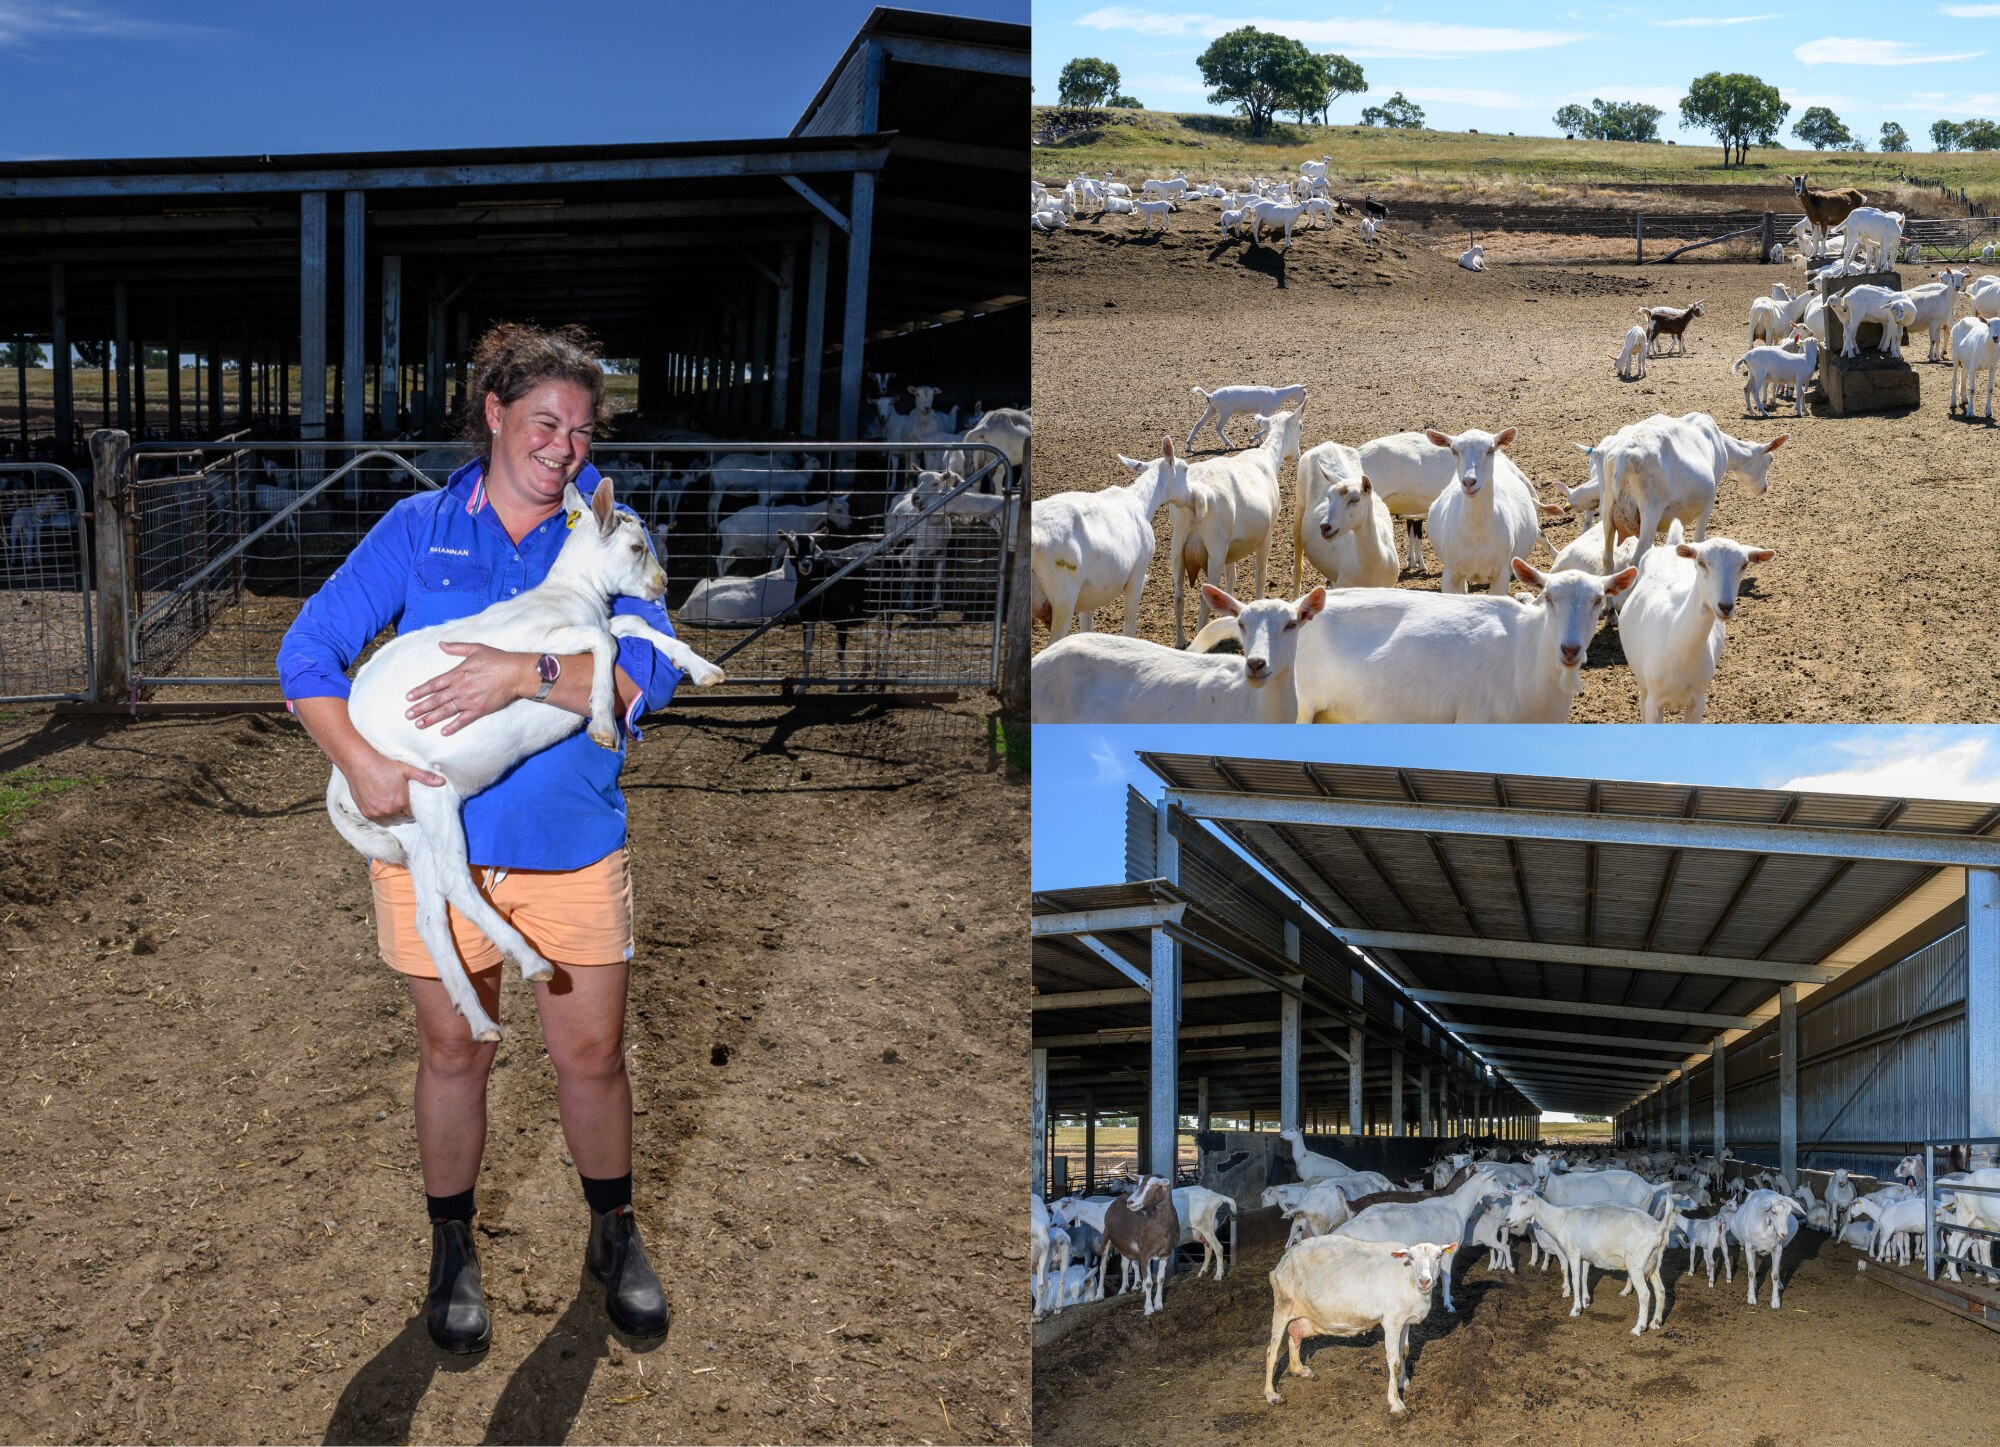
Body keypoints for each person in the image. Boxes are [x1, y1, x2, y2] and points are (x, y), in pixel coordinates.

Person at [278, 322, 675, 1353]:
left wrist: (527, 675)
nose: (565, 446)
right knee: (452, 1047)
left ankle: (614, 1232)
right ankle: (451, 1249)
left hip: (573, 839)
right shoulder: (418, 527)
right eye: (545, 421)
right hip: (430, 838)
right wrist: (360, 766)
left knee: (589, 1057)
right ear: (494, 415)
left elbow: (646, 680)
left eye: (582, 430)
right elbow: (307, 650)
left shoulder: (601, 533)